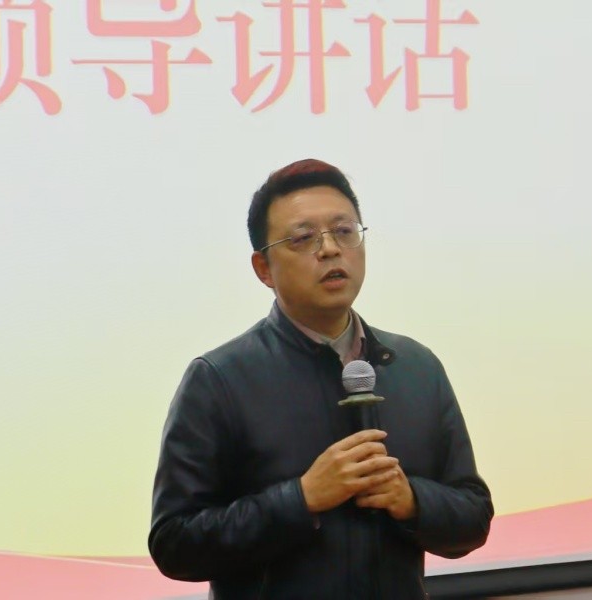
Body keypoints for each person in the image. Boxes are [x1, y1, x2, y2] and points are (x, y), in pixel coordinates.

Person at [149, 159, 493, 599]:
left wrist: (411, 500)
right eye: (303, 238)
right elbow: (175, 544)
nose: (330, 249)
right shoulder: (219, 379)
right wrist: (301, 498)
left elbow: (473, 517)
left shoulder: (416, 367)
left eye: (344, 231)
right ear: (264, 269)